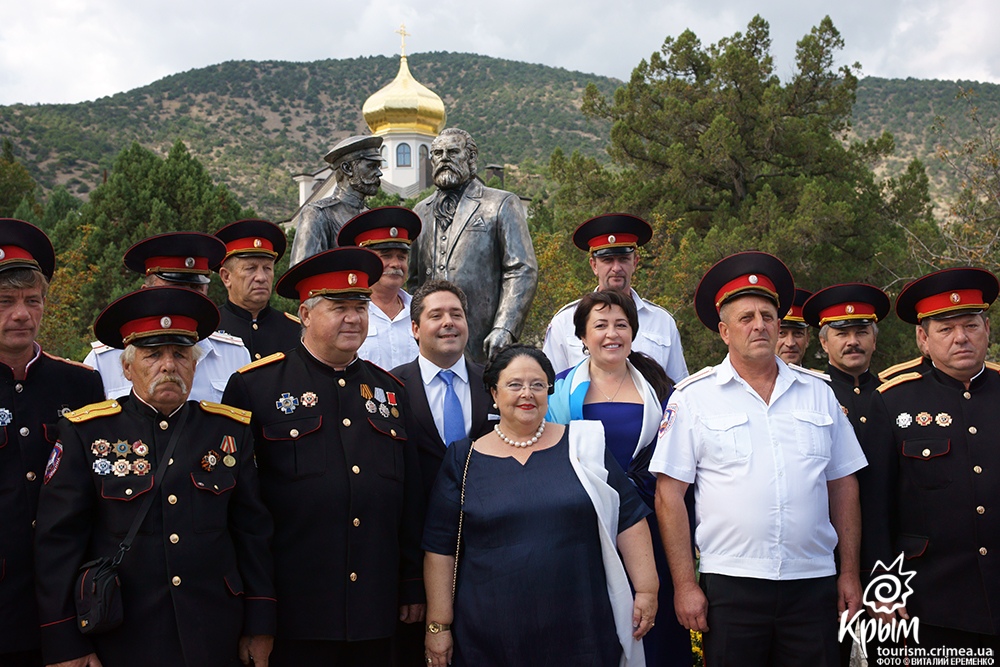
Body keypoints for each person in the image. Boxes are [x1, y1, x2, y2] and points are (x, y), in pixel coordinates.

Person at [34, 286, 275, 667]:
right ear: (127, 367)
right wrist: (66, 644)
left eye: (180, 354)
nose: (168, 365)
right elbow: (57, 544)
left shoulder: (228, 432)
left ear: (195, 365)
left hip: (213, 631)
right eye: (153, 355)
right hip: (124, 636)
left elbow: (252, 533)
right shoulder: (87, 433)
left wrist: (260, 623)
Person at [651, 251, 867, 667]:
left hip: (813, 581)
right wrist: (684, 584)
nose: (760, 325)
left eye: (768, 316)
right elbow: (668, 495)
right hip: (733, 585)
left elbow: (843, 484)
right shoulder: (694, 398)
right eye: (746, 317)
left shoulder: (819, 392)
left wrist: (849, 572)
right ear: (724, 331)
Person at [222, 247, 424, 667]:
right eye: (339, 306)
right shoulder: (256, 387)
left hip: (375, 609)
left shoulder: (391, 392)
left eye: (360, 306)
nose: (353, 317)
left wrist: (411, 584)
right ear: (306, 314)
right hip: (296, 613)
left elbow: (410, 502)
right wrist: (258, 612)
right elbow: (243, 513)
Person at [423, 344, 658, 667]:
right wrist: (439, 625)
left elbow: (628, 519)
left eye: (537, 384)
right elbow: (440, 548)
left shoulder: (583, 446)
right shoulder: (463, 459)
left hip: (582, 628)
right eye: (514, 384)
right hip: (488, 635)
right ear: (494, 392)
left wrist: (646, 589)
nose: (527, 394)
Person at [546, 289, 692, 666]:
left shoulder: (664, 390)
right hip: (583, 529)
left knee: (654, 630)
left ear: (633, 332)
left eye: (621, 325)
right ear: (581, 337)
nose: (612, 334)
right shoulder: (556, 391)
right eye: (600, 325)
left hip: (652, 524)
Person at [865, 267, 1000, 650]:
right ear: (923, 338)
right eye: (945, 329)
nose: (961, 337)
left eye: (971, 325)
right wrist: (883, 588)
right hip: (932, 598)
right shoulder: (893, 401)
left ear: (987, 329)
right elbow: (876, 508)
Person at [0, 219, 105, 667]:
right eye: (4, 302)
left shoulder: (80, 385)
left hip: (62, 610)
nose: (21, 314)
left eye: (32, 301)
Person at [389, 280, 495, 667]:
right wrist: (409, 581)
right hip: (416, 567)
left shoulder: (496, 386)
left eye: (457, 314)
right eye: (436, 315)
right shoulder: (388, 389)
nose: (449, 323)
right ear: (415, 329)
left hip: (490, 562)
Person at [409, 128, 538, 363]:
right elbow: (413, 281)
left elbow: (521, 269)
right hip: (431, 347)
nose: (444, 158)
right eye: (438, 153)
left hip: (484, 344)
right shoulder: (420, 211)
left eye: (452, 152)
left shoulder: (500, 204)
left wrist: (505, 327)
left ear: (471, 159)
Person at [84, 232, 250, 402]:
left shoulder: (235, 355)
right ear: (145, 292)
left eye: (196, 288)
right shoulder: (104, 360)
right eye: (175, 287)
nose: (188, 298)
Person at [543, 213, 688, 383]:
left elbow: (679, 388)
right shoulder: (565, 322)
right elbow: (551, 387)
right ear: (594, 265)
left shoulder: (662, 322)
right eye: (608, 260)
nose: (616, 268)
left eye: (624, 259)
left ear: (635, 262)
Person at [802, 283, 890, 439]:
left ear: (874, 340)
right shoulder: (811, 394)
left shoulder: (890, 394)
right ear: (824, 343)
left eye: (861, 333)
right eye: (842, 334)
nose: (853, 342)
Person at [338, 207, 421, 370]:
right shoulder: (345, 315)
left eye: (402, 257)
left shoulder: (422, 311)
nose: (396, 264)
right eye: (386, 256)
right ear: (364, 260)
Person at [289, 135, 383, 266]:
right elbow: (300, 274)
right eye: (371, 166)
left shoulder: (373, 218)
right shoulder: (317, 214)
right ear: (347, 168)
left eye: (378, 166)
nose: (379, 173)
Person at [215, 218, 301, 360]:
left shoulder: (296, 330)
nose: (261, 277)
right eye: (250, 268)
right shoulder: (209, 331)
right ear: (226, 277)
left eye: (267, 268)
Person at [775, 288, 812, 366]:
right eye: (781, 333)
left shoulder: (816, 378)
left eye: (798, 333)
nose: (790, 343)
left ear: (807, 339)